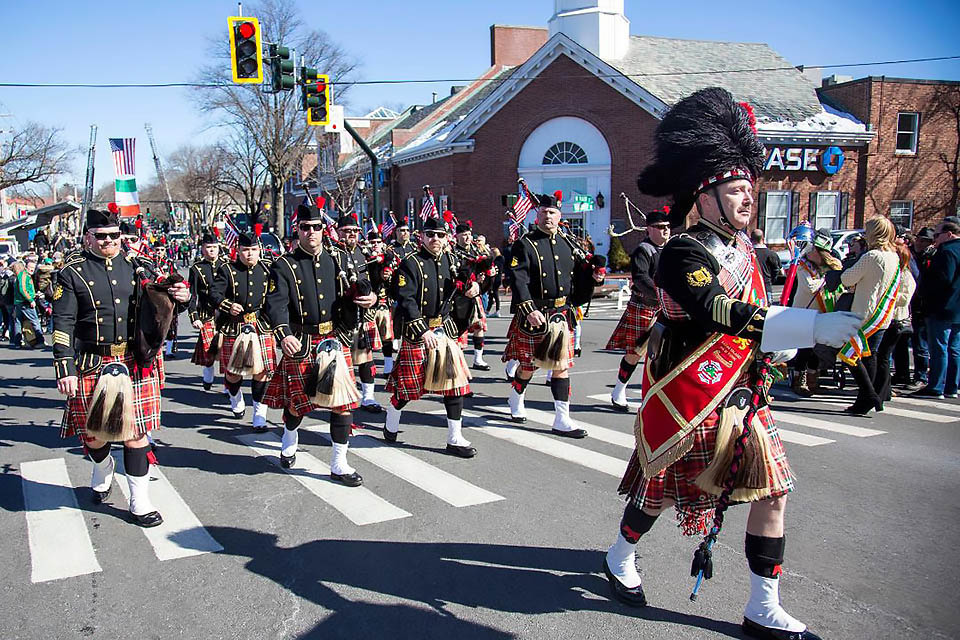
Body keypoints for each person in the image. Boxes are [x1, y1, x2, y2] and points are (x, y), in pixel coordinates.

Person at [603, 88, 860, 640]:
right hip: (690, 392)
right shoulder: (681, 252)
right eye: (736, 189)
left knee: (776, 490)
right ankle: (620, 553)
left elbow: (758, 316)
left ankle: (762, 605)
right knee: (657, 489)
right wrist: (808, 327)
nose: (749, 199)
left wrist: (785, 342)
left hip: (744, 395)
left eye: (750, 188)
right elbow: (722, 312)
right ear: (705, 197)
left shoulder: (747, 251)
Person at [52, 208, 190, 527]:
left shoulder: (138, 267)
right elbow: (62, 322)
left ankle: (139, 501)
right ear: (88, 237)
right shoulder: (72, 272)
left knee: (136, 434)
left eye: (114, 236)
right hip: (91, 362)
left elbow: (163, 302)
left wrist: (182, 297)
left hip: (133, 362)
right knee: (95, 435)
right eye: (101, 237)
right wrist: (64, 366)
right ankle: (102, 467)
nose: (109, 242)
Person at [261, 203, 377, 486]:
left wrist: (370, 299)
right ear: (296, 230)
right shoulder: (284, 265)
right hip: (300, 339)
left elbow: (359, 287)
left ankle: (339, 464)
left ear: (324, 230)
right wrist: (283, 334)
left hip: (335, 339)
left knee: (343, 404)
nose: (311, 232)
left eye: (316, 227)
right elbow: (275, 305)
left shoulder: (339, 259)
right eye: (305, 227)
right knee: (297, 406)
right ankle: (289, 435)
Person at [502, 191, 604, 438]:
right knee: (528, 367)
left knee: (561, 367)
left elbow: (578, 274)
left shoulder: (569, 243)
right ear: (537, 215)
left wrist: (593, 277)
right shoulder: (525, 244)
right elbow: (519, 279)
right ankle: (516, 396)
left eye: (553, 212)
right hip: (536, 313)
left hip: (561, 314)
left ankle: (562, 418)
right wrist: (528, 309)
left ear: (560, 215)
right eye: (544, 212)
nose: (548, 216)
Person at [382, 216, 478, 456]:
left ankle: (455, 438)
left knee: (454, 385)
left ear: (447, 238)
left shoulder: (452, 260)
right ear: (422, 237)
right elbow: (406, 298)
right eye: (430, 234)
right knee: (408, 389)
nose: (435, 239)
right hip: (419, 332)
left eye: (440, 235)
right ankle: (393, 413)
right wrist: (422, 330)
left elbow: (461, 289)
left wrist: (474, 289)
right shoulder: (410, 264)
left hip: (444, 331)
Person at [829, 217, 903, 415]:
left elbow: (847, 279)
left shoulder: (872, 256)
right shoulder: (894, 256)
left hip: (864, 314)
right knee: (869, 356)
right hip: (882, 315)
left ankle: (869, 395)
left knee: (849, 355)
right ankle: (865, 399)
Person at [604, 208, 670, 410]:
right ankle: (618, 390)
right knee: (636, 352)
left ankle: (655, 394)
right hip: (644, 306)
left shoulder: (671, 249)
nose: (665, 231)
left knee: (664, 354)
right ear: (649, 229)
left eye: (667, 227)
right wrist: (659, 293)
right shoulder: (644, 250)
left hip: (666, 308)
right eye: (660, 227)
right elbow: (641, 278)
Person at [209, 230, 276, 429]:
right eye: (245, 250)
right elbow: (214, 293)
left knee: (262, 371)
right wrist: (227, 305)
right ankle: (236, 396)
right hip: (234, 326)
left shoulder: (267, 269)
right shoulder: (227, 270)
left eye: (253, 250)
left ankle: (259, 414)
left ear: (259, 250)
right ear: (238, 250)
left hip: (260, 325)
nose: (249, 254)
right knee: (233, 374)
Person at [789, 229, 843, 396]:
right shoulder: (803, 266)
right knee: (804, 349)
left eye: (815, 250)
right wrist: (828, 279)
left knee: (816, 350)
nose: (812, 252)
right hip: (804, 313)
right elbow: (810, 287)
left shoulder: (826, 267)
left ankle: (813, 379)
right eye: (812, 249)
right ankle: (799, 380)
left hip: (820, 314)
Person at [912, 219, 960, 399]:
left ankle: (936, 386)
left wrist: (925, 291)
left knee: (939, 348)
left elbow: (942, 280)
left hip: (942, 307)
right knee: (953, 348)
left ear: (949, 234)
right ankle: (951, 386)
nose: (935, 239)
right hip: (956, 308)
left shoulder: (947, 252)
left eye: (937, 235)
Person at [452, 220, 491, 371]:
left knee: (479, 326)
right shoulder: (453, 253)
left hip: (475, 295)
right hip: (460, 297)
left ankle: (478, 359)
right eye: (464, 235)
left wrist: (485, 278)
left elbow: (484, 273)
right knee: (459, 330)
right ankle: (458, 361)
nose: (468, 237)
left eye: (469, 234)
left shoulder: (476, 252)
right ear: (457, 236)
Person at [188, 232, 223, 390]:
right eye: (208, 247)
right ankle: (208, 373)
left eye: (214, 247)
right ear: (202, 248)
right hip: (206, 315)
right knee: (209, 352)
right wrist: (194, 316)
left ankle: (229, 385)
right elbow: (192, 295)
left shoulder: (227, 266)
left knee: (226, 351)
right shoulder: (196, 269)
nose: (212, 251)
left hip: (225, 315)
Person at [907, 227, 937, 388]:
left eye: (925, 240)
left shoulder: (932, 257)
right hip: (912, 304)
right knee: (915, 342)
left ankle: (922, 376)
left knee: (922, 344)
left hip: (924, 305)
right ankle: (911, 375)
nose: (920, 243)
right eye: (919, 239)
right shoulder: (910, 255)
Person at [13, 255, 44, 348]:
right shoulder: (23, 275)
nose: (32, 270)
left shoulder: (25, 275)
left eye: (33, 268)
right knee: (35, 321)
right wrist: (31, 299)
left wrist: (34, 295)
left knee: (18, 322)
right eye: (30, 268)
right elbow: (23, 289)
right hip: (24, 302)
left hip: (20, 302)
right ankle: (40, 341)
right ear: (26, 267)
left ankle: (17, 342)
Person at [750, 228, 783, 298]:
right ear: (763, 238)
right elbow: (779, 271)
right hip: (766, 286)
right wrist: (772, 280)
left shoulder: (747, 254)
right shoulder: (771, 254)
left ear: (751, 239)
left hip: (751, 288)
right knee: (767, 308)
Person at [487, 248, 504, 317]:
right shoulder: (497, 259)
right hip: (495, 278)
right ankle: (488, 310)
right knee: (492, 295)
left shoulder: (499, 259)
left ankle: (497, 310)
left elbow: (496, 268)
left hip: (496, 278)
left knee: (495, 294)